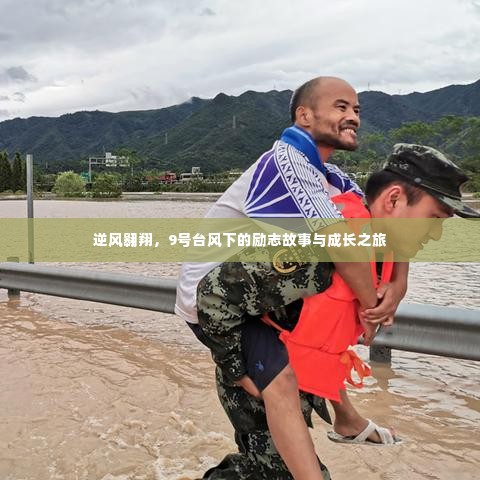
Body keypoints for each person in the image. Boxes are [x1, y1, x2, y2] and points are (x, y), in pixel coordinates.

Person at [176, 76, 408, 479]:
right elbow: (340, 244)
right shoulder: (287, 162)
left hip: (265, 296)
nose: (353, 116)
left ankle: (345, 417)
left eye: (356, 110)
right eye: (341, 107)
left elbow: (378, 226)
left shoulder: (331, 176)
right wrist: (373, 308)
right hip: (220, 303)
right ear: (304, 115)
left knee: (327, 306)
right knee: (281, 401)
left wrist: (399, 280)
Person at [262, 143, 479, 445]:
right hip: (263, 373)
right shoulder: (320, 246)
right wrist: (241, 372)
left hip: (293, 374)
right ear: (393, 199)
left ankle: (348, 422)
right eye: (435, 219)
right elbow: (225, 301)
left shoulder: (375, 238)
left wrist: (399, 281)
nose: (436, 234)